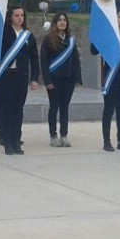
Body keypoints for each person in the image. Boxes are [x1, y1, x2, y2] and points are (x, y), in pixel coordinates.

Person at [0, 6, 39, 155]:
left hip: (21, 76)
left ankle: (17, 141)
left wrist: (34, 78)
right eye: (16, 15)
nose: (20, 18)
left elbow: (34, 59)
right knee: (6, 109)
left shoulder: (28, 36)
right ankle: (7, 141)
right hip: (6, 76)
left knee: (18, 109)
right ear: (10, 17)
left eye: (22, 15)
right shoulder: (3, 33)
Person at [39, 13, 82, 147]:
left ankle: (64, 135)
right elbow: (44, 61)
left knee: (65, 107)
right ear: (55, 23)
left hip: (68, 79)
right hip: (54, 79)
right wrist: (47, 81)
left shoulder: (70, 40)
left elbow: (76, 61)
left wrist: (77, 78)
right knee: (54, 107)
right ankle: (53, 135)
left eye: (64, 20)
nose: (62, 22)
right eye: (59, 20)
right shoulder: (48, 39)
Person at [92, 11, 120, 152]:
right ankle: (107, 141)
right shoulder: (108, 37)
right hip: (110, 78)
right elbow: (93, 50)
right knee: (109, 110)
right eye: (119, 17)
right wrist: (99, 35)